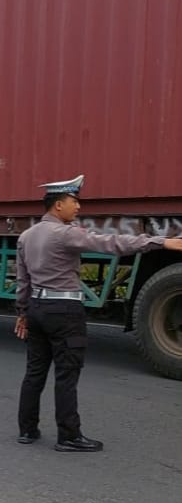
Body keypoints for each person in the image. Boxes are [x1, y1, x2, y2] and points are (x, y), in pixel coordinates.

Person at [14, 175, 182, 451]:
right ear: (58, 206)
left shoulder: (26, 236)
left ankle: (27, 429)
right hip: (64, 311)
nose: (78, 207)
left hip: (36, 308)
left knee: (34, 372)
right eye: (74, 201)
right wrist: (160, 242)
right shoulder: (66, 234)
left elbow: (23, 281)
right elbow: (112, 244)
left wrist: (22, 313)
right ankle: (68, 436)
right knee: (67, 374)